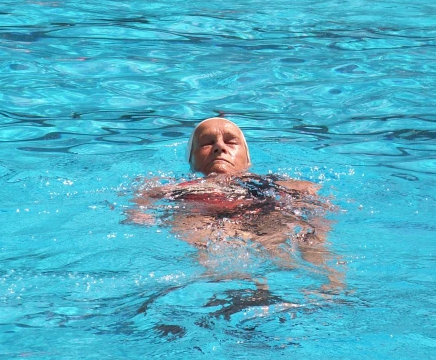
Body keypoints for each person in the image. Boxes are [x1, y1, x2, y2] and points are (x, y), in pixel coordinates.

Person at [125, 117, 344, 295]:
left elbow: (314, 194)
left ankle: (330, 286)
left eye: (230, 142)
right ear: (192, 160)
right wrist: (139, 209)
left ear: (247, 160)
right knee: (201, 236)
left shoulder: (271, 182)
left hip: (261, 214)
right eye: (207, 143)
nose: (219, 147)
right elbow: (143, 197)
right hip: (200, 214)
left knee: (293, 240)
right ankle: (224, 282)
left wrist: (317, 218)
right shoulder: (179, 187)